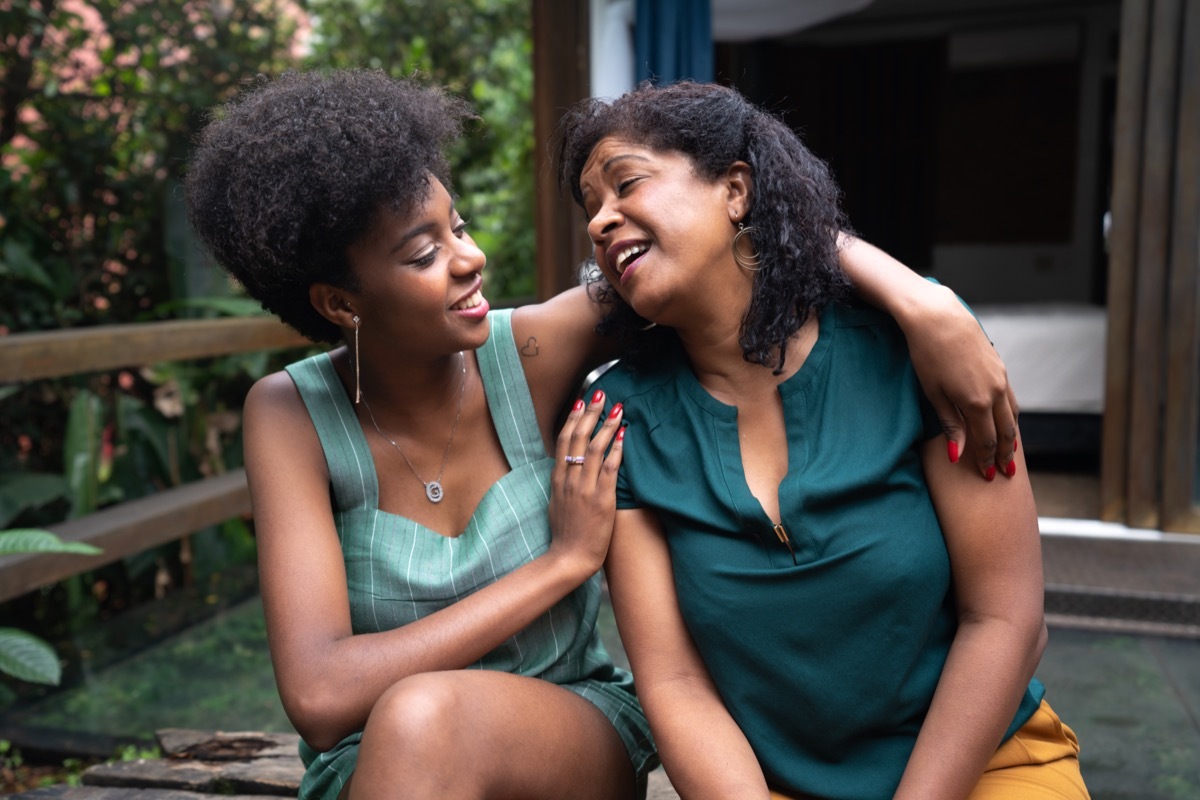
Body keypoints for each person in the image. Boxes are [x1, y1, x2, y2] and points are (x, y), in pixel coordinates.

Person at [183, 69, 1023, 800]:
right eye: (422, 252)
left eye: (460, 226)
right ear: (340, 303)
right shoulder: (290, 415)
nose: (469, 260)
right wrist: (562, 564)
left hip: (567, 737)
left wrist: (924, 302)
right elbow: (324, 696)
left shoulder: (537, 353)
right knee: (415, 721)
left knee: (424, 712)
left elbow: (728, 257)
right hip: (381, 763)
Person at [557, 80, 1089, 800]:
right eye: (590, 209)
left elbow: (1006, 619)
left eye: (626, 184)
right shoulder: (618, 415)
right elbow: (676, 684)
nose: (600, 222)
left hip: (985, 770)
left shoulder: (909, 351)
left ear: (735, 190)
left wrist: (922, 301)